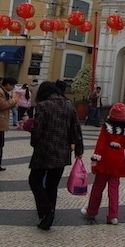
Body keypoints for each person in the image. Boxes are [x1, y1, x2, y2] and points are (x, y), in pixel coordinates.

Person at [29, 80, 84, 230]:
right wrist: (79, 148)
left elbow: (38, 129)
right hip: (62, 152)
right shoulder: (68, 105)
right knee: (52, 185)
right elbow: (76, 128)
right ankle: (48, 217)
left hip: (44, 151)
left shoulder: (42, 106)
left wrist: (33, 141)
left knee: (34, 180)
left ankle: (47, 210)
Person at [81, 103, 125, 225]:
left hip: (105, 160)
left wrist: (95, 160)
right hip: (118, 160)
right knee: (114, 189)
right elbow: (123, 145)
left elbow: (100, 143)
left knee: (98, 187)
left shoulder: (106, 127)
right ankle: (113, 215)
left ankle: (91, 211)